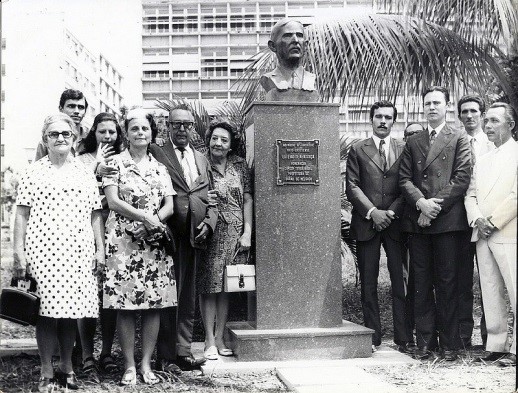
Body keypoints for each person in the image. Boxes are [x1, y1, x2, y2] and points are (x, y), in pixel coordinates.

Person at [12, 113, 104, 391]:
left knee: (71, 311)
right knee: (46, 312)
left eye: (66, 134)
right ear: (45, 139)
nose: (61, 138)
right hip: (43, 251)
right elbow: (22, 214)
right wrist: (19, 251)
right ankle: (46, 370)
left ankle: (67, 366)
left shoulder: (84, 172)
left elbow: (95, 214)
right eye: (54, 134)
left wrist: (100, 249)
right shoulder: (33, 171)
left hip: (77, 251)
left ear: (74, 138)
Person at [102, 109, 177, 385]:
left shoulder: (160, 167)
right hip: (123, 243)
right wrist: (143, 216)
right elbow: (112, 201)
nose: (140, 133)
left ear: (151, 133)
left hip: (153, 242)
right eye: (134, 128)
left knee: (153, 304)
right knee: (126, 305)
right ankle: (129, 366)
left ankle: (146, 364)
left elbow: (169, 204)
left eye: (145, 128)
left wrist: (153, 221)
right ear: (126, 133)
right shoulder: (115, 163)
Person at [399, 86, 471, 361]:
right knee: (421, 283)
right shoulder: (414, 140)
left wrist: (432, 208)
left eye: (436, 103)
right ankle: (425, 342)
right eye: (427, 103)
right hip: (419, 222)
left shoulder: (459, 137)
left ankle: (451, 343)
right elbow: (404, 179)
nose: (431, 107)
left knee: (448, 282)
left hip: (448, 223)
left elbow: (461, 179)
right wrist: (421, 203)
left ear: (447, 107)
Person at [150, 103, 218, 371]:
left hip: (194, 237)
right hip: (168, 236)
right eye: (176, 124)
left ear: (192, 128)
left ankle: (183, 351)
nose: (181, 129)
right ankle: (165, 356)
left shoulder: (201, 158)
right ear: (168, 126)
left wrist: (209, 224)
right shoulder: (157, 153)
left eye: (187, 124)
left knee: (188, 296)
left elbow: (211, 197)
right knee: (169, 296)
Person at [346, 101, 411, 353]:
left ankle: (403, 338)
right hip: (367, 224)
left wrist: (391, 212)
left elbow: (406, 184)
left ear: (393, 121)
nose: (383, 121)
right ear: (370, 120)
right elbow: (352, 186)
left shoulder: (404, 148)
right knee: (369, 283)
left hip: (395, 225)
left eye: (388, 117)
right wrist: (373, 212)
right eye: (378, 117)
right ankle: (373, 337)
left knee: (399, 281)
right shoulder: (357, 149)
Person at [464, 102, 517, 367]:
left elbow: (515, 196)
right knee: (491, 290)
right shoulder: (482, 160)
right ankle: (496, 345)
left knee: (515, 290)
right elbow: (470, 194)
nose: (488, 126)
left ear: (511, 125)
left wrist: (493, 222)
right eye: (487, 121)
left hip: (508, 233)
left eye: (495, 121)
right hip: (482, 234)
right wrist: (477, 219)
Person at [197, 119, 253, 360]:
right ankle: (208, 339)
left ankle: (220, 337)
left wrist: (248, 232)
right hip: (209, 231)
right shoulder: (200, 162)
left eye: (224, 140)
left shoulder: (240, 166)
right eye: (214, 138)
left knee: (226, 287)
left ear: (231, 145)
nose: (218, 143)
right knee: (209, 286)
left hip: (236, 233)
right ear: (208, 141)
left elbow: (248, 200)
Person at [76, 113, 123, 375]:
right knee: (88, 294)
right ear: (94, 132)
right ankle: (86, 353)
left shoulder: (122, 159)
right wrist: (96, 166)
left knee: (109, 297)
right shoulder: (82, 159)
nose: (107, 137)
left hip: (117, 233)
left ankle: (106, 352)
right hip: (87, 231)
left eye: (112, 132)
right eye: (102, 131)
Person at [456, 95, 495, 349]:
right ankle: (462, 338)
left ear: (481, 114)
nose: (469, 116)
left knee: (489, 282)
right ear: (459, 116)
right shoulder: (455, 142)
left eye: (473, 111)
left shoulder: (493, 144)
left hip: (487, 222)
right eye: (464, 112)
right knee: (461, 282)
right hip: (458, 222)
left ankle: (489, 338)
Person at [260, 18, 318, 101]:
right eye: (287, 36)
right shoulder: (268, 79)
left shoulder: (311, 79)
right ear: (272, 46)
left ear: (305, 45)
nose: (296, 40)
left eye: (299, 35)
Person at [35, 89, 89, 160]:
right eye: (71, 106)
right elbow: (38, 168)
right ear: (61, 109)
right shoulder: (48, 140)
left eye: (81, 107)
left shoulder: (91, 137)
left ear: (85, 112)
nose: (76, 111)